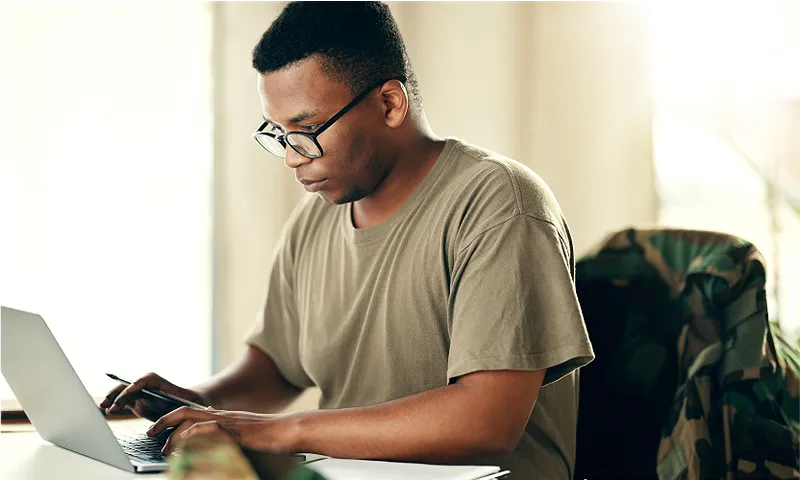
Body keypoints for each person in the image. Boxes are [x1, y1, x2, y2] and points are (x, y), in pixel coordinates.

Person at [100, 2, 594, 478]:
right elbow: (276, 366)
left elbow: (484, 423)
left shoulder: (499, 203)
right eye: (279, 133)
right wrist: (196, 403)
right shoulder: (316, 218)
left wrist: (278, 432)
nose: (293, 156)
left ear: (389, 103)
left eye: (308, 128)